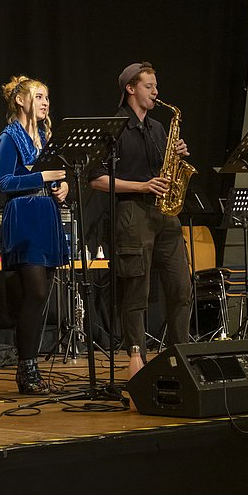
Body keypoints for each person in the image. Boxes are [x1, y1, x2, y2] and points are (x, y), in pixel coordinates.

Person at [88, 62, 192, 362]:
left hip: (165, 213)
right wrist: (142, 186)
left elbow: (164, 170)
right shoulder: (114, 127)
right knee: (136, 292)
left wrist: (176, 156)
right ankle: (137, 359)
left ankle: (180, 357)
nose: (156, 91)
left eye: (155, 86)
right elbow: (95, 179)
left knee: (181, 289)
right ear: (130, 88)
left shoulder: (157, 128)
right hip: (132, 213)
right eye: (149, 86)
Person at [0, 76, 69, 394]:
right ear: (20, 100)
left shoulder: (44, 137)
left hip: (46, 215)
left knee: (42, 298)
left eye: (47, 98)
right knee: (35, 293)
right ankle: (26, 369)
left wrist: (61, 187)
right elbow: (3, 181)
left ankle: (31, 369)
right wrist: (42, 176)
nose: (45, 103)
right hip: (24, 216)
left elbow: (54, 177)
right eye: (39, 96)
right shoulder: (9, 137)